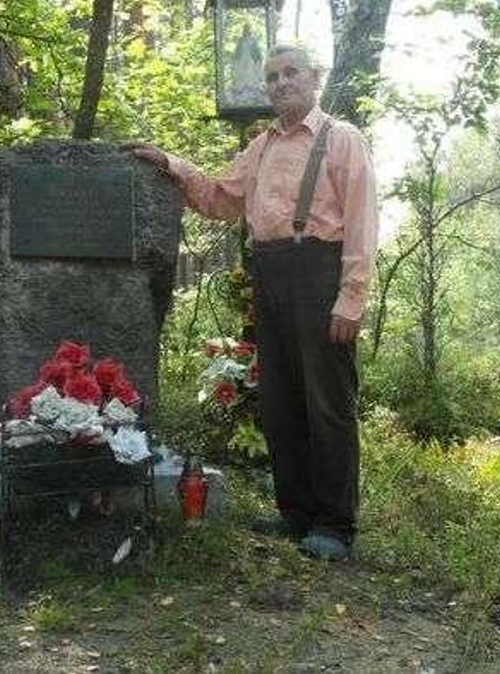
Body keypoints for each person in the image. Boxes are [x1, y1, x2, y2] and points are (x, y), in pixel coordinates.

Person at [126, 44, 378, 561]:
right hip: (269, 272)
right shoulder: (261, 147)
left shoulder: (342, 139)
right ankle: (296, 512)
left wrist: (351, 299)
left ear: (314, 80)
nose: (281, 83)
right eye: (272, 77)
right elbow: (219, 198)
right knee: (280, 401)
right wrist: (172, 166)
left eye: (291, 74)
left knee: (326, 403)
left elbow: (363, 221)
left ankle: (335, 524)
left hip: (320, 273)